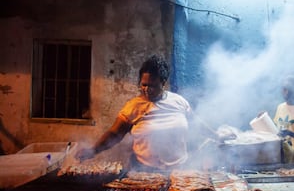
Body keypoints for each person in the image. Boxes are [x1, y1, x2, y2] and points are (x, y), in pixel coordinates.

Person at [76, 54, 218, 170]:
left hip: (179, 170)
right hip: (145, 171)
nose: (147, 89)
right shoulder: (133, 106)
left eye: (153, 86)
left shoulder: (179, 102)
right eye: (144, 85)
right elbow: (115, 134)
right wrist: (93, 150)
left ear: (163, 82)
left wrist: (216, 136)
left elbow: (196, 123)